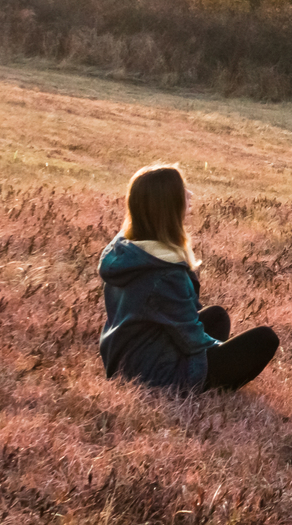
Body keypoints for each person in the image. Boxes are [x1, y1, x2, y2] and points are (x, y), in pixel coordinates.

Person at [98, 163, 278, 392]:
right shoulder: (164, 274)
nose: (190, 195)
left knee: (217, 316)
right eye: (183, 191)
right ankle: (204, 386)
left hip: (128, 358)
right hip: (153, 375)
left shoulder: (128, 251)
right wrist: (223, 351)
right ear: (167, 204)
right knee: (265, 339)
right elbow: (191, 339)